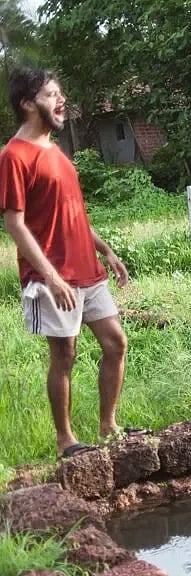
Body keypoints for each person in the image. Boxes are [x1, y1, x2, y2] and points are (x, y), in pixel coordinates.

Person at [1, 67, 144, 459]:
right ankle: (66, 440)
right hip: (51, 275)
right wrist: (50, 276)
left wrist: (106, 251)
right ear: (28, 104)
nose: (61, 101)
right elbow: (13, 223)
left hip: (86, 268)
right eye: (51, 95)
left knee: (116, 342)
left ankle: (108, 425)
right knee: (64, 354)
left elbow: (74, 213)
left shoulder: (57, 151)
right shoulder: (15, 155)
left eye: (60, 93)